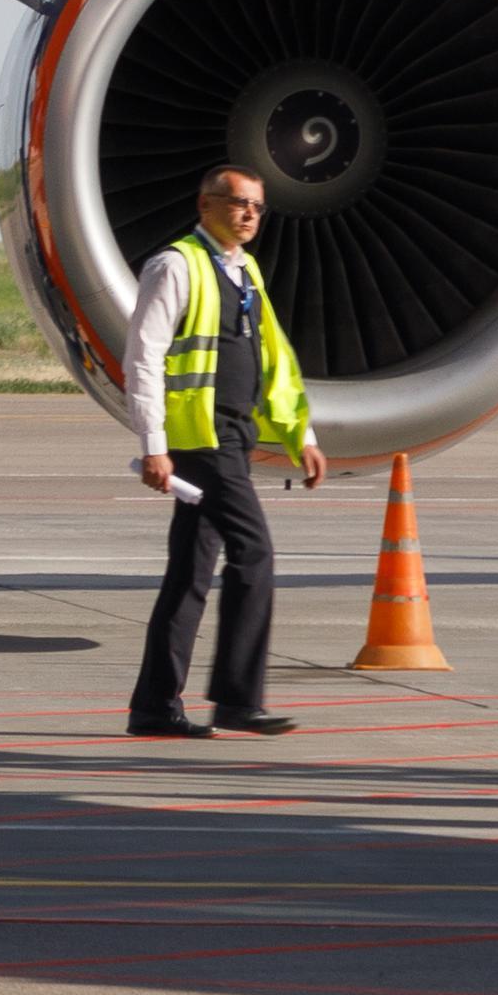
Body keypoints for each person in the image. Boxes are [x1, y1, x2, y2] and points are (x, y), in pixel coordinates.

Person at [126, 165, 325, 741]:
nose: (249, 215)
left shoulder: (245, 272)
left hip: (232, 438)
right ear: (205, 204)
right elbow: (143, 357)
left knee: (190, 573)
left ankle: (155, 707)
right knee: (255, 553)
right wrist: (153, 445)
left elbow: (276, 361)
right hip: (199, 439)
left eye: (258, 207)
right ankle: (239, 699)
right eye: (238, 203)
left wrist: (299, 434)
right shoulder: (175, 265)